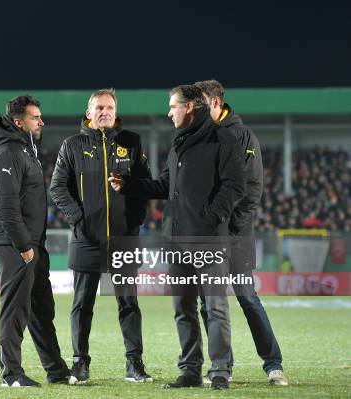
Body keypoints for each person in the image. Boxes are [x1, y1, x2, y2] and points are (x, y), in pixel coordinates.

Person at [109, 84, 245, 390]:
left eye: (173, 106)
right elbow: (163, 186)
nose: (169, 112)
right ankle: (190, 371)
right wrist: (129, 184)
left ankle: (220, 370)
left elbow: (235, 185)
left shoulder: (224, 137)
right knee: (182, 308)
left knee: (215, 307)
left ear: (191, 107)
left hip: (209, 238)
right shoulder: (178, 142)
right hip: (176, 241)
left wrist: (209, 217)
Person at [50, 88, 152, 384]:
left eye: (109, 107)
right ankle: (80, 364)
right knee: (82, 304)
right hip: (86, 239)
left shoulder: (132, 143)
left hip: (125, 238)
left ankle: (135, 364)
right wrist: (78, 217)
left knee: (129, 304)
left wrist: (137, 219)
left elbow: (145, 184)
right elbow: (58, 188)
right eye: (99, 108)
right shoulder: (72, 145)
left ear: (115, 112)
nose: (105, 112)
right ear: (89, 113)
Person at [195, 79, 288, 386]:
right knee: (209, 303)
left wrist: (232, 228)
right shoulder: (198, 135)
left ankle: (273, 363)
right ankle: (224, 366)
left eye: (202, 102)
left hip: (234, 236)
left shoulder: (242, 135)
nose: (196, 108)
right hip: (206, 236)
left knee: (247, 298)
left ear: (217, 103)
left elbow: (251, 190)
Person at [0, 95, 73, 387]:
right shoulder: (7, 152)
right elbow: (7, 207)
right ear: (19, 121)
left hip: (33, 243)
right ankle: (11, 374)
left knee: (40, 307)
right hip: (16, 244)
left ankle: (56, 370)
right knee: (16, 308)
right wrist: (24, 246)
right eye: (35, 117)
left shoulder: (25, 149)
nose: (41, 121)